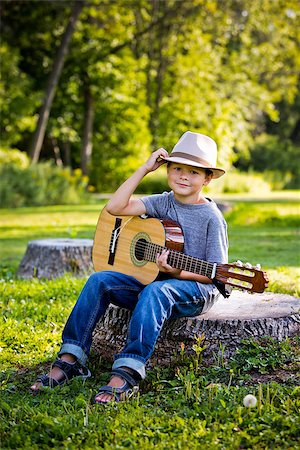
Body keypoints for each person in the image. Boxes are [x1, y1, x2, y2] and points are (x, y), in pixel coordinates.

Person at [30, 130, 228, 404]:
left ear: (207, 179)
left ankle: (128, 370)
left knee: (158, 291)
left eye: (194, 172)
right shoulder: (162, 201)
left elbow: (217, 276)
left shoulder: (211, 218)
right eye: (177, 168)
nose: (184, 176)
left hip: (194, 289)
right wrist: (144, 169)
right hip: (156, 279)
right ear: (167, 169)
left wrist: (176, 272)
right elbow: (115, 207)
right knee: (100, 281)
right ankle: (71, 358)